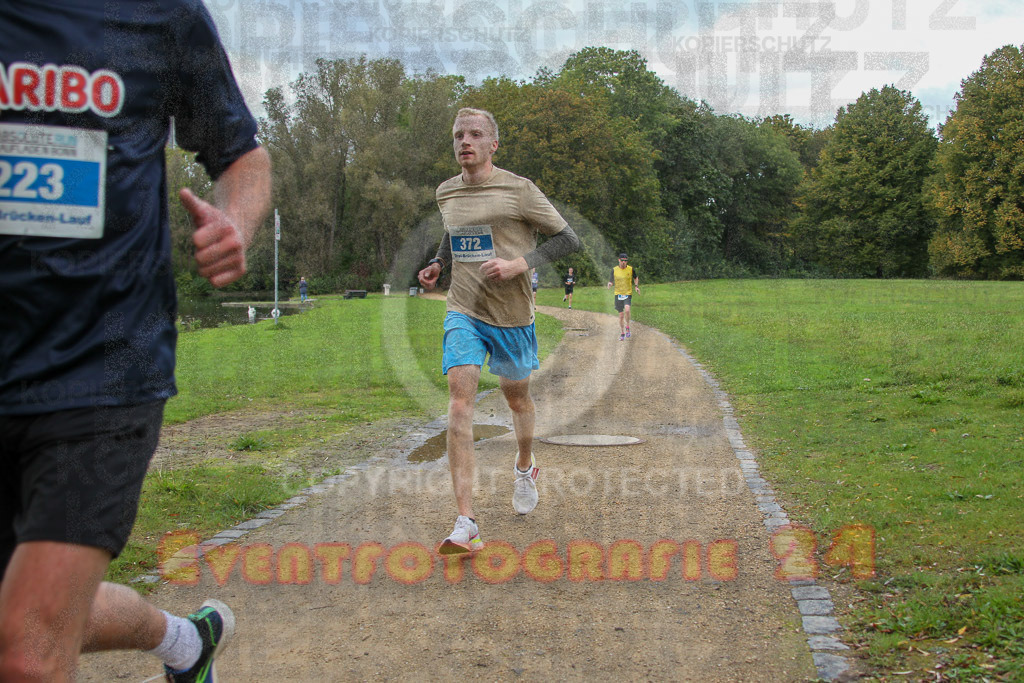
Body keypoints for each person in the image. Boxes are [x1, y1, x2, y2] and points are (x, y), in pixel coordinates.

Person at [0, 2, 271, 681]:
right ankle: (185, 641)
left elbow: (241, 156)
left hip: (102, 365)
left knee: (27, 649)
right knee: (26, 613)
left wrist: (236, 224)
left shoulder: (159, 13)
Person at [417, 108, 580, 554]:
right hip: (464, 311)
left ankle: (525, 465)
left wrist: (518, 264)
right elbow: (454, 233)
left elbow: (568, 239)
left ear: (493, 144)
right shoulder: (446, 191)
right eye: (458, 135)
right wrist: (438, 263)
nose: (464, 142)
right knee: (459, 404)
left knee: (516, 399)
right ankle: (466, 522)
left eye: (475, 134)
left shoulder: (519, 190)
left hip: (512, 316)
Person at [607, 253, 640, 340]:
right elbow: (611, 281)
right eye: (622, 260)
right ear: (619, 260)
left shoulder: (630, 269)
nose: (624, 262)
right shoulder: (614, 270)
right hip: (618, 294)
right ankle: (622, 333)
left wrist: (636, 286)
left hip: (627, 293)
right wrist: (610, 284)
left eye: (625, 261)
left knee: (627, 310)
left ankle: (627, 327)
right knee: (621, 315)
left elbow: (636, 277)